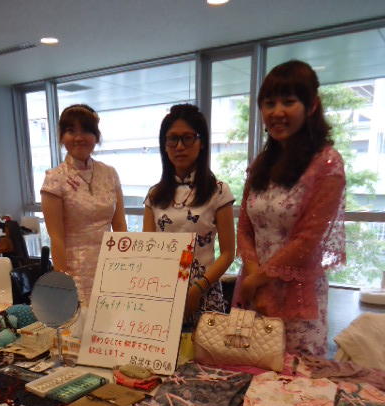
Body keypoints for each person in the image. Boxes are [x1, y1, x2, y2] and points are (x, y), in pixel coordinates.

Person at [235, 60, 346, 357]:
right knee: (247, 368)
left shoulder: (326, 163)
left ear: (311, 106)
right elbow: (244, 227)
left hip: (297, 295)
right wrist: (254, 278)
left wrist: (257, 279)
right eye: (269, 103)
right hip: (253, 290)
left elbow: (307, 240)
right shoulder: (261, 164)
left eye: (288, 101)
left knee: (296, 377)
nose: (277, 112)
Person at [143, 103, 235, 322]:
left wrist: (198, 289)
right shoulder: (154, 195)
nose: (179, 146)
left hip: (204, 293)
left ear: (201, 142)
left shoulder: (218, 191)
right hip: (162, 293)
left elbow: (228, 253)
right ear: (164, 145)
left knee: (204, 345)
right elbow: (148, 250)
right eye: (172, 139)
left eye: (187, 138)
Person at [41, 104, 127, 305]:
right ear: (62, 137)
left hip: (111, 268)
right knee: (82, 323)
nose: (79, 137)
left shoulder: (109, 173)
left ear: (96, 136)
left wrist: (126, 266)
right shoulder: (55, 179)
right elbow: (56, 237)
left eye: (86, 130)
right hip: (76, 273)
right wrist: (63, 283)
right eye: (71, 130)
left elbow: (120, 226)